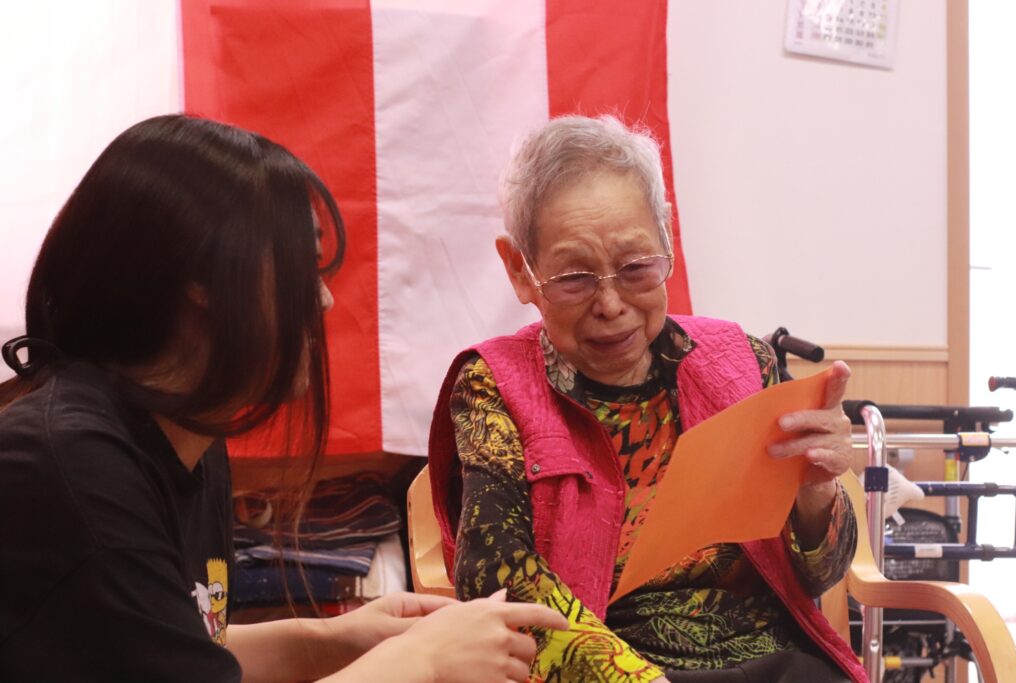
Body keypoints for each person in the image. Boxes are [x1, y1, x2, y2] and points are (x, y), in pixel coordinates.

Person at [0, 114, 566, 682]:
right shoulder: (68, 465)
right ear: (201, 284)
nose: (322, 299)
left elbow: (174, 648)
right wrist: (424, 660)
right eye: (303, 268)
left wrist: (331, 641)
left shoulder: (185, 436)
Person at [428, 115, 865, 683]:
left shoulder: (741, 362)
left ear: (667, 241)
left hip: (771, 661)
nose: (611, 305)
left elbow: (820, 576)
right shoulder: (495, 386)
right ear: (521, 270)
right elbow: (496, 579)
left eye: (636, 268)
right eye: (574, 278)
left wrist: (816, 492)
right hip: (609, 669)